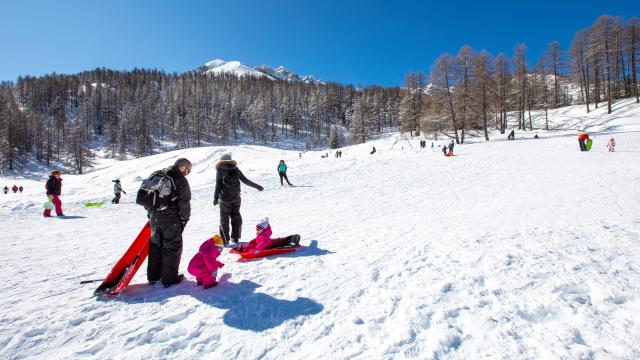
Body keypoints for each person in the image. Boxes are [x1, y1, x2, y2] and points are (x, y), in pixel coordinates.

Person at [147, 158, 192, 288]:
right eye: (188, 171)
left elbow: (148, 195)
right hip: (171, 218)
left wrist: (150, 212)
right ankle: (169, 279)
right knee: (172, 248)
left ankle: (153, 277)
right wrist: (184, 219)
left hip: (154, 216)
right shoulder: (180, 179)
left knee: (155, 247)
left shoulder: (157, 174)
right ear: (182, 167)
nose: (187, 174)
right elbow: (184, 202)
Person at [213, 153, 264, 246]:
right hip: (236, 198)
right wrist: (257, 186)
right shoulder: (235, 168)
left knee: (224, 219)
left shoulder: (220, 170)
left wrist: (215, 198)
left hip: (224, 199)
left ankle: (225, 240)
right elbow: (245, 180)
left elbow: (218, 185)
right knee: (236, 217)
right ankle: (235, 237)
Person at [235, 217, 300, 254]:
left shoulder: (264, 238)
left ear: (264, 230)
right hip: (269, 242)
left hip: (267, 245)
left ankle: (292, 239)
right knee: (278, 240)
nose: (256, 230)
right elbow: (256, 240)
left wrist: (251, 251)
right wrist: (251, 242)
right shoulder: (260, 234)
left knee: (279, 243)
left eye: (258, 229)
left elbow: (258, 249)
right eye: (256, 229)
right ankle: (287, 238)